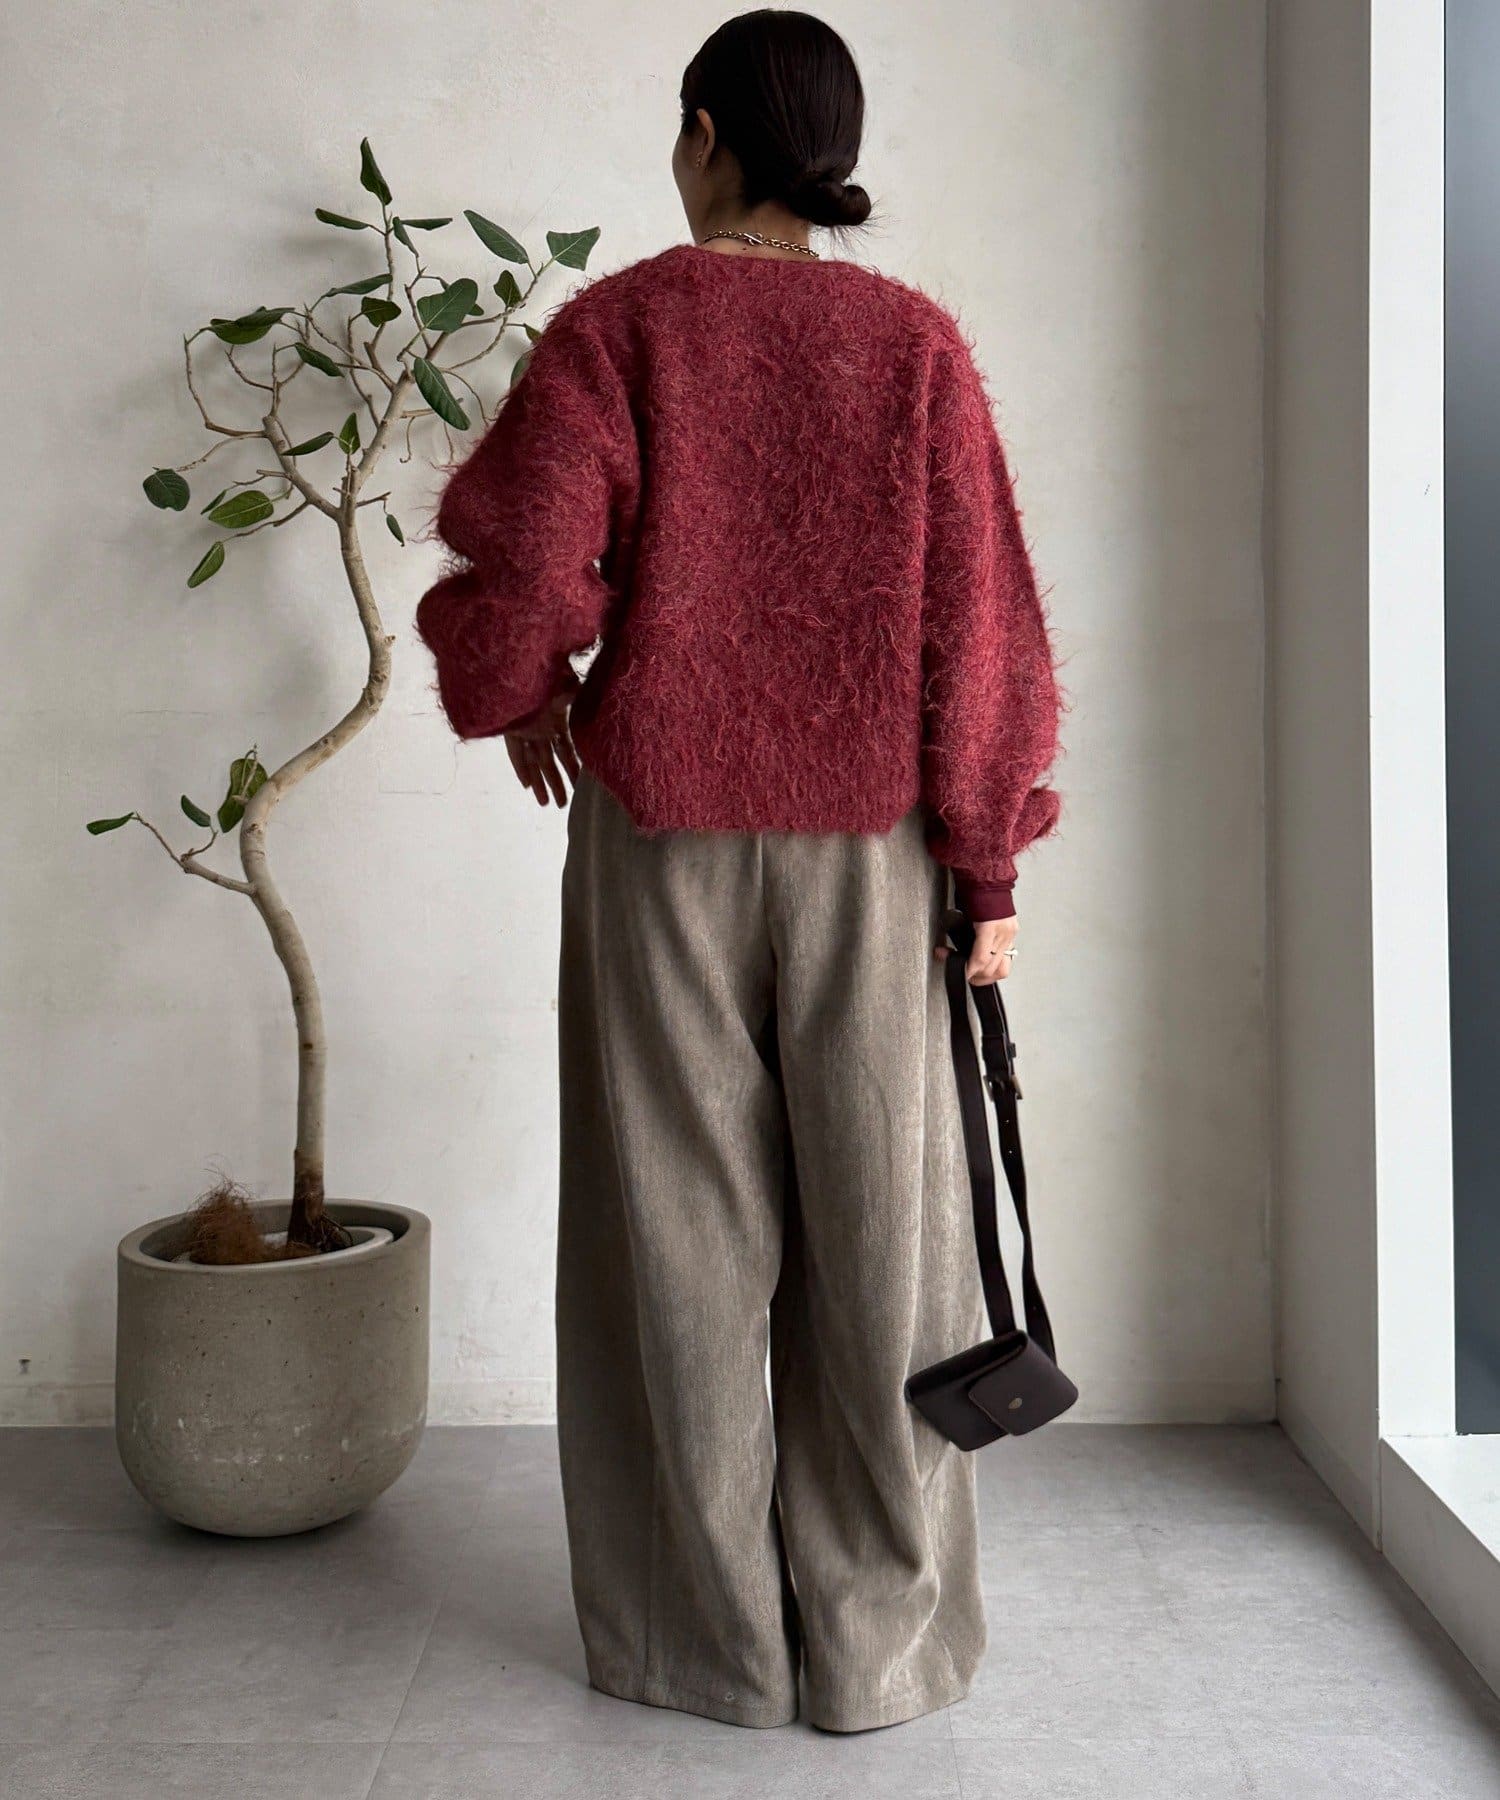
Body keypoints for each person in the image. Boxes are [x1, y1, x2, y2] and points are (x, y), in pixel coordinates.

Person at [416, 7, 1062, 1735]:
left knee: (676, 1236)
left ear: (705, 133)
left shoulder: (622, 327)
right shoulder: (915, 349)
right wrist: (988, 866)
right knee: (887, 1241)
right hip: (874, 857)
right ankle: (875, 1648)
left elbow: (523, 565)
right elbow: (982, 634)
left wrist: (522, 691)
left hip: (665, 848)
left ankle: (701, 1642)